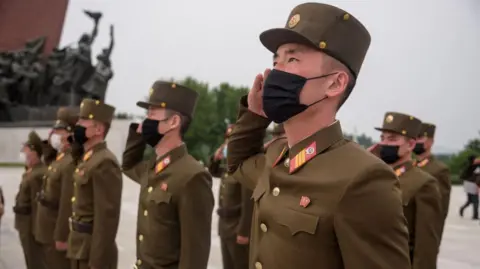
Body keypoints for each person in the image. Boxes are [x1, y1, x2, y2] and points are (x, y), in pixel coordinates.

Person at [226, 3, 411, 269]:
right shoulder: (277, 155)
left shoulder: (363, 178)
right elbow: (237, 165)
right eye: (275, 60)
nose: (274, 73)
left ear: (335, 83)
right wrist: (255, 117)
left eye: (292, 59)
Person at [122, 80, 214, 269]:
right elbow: (128, 165)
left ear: (173, 122)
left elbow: (194, 253)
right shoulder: (153, 167)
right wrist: (137, 137)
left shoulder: (192, 175)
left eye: (152, 114)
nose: (146, 121)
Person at [371, 112, 442, 269]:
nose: (385, 144)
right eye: (382, 138)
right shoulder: (376, 177)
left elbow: (425, 246)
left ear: (410, 144)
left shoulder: (424, 184)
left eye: (392, 139)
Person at [67, 98, 122, 269]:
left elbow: (106, 220)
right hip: (79, 246)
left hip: (92, 252)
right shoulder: (88, 158)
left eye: (83, 121)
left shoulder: (105, 162)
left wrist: (98, 261)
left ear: (98, 129)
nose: (78, 124)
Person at [35, 107, 78, 269]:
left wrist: (62, 236)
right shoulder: (58, 158)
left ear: (70, 135)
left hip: (55, 230)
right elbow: (48, 162)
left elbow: (67, 202)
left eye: (59, 131)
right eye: (54, 130)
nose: (54, 134)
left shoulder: (69, 162)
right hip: (47, 227)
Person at [208, 124, 252, 269]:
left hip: (237, 227)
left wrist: (244, 231)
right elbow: (213, 172)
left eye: (231, 140)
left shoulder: (244, 168)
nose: (227, 144)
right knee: (227, 265)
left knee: (240, 265)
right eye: (226, 140)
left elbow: (248, 203)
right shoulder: (228, 168)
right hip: (224, 226)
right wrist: (215, 158)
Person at [14, 131, 47, 269]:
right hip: (25, 225)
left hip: (31, 228)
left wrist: (36, 232)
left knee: (35, 263)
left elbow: (37, 205)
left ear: (34, 151)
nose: (23, 152)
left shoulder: (38, 174)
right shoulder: (31, 171)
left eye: (26, 148)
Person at [413, 122, 451, 244]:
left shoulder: (439, 170)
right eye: (414, 138)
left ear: (431, 142)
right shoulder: (411, 166)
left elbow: (439, 210)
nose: (416, 141)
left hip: (422, 236)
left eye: (420, 138)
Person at [459, 155, 479, 219]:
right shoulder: (474, 167)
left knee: (470, 200)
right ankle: (475, 216)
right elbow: (478, 178)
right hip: (472, 184)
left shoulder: (470, 166)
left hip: (467, 183)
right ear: (473, 160)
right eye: (476, 159)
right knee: (475, 201)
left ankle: (462, 208)